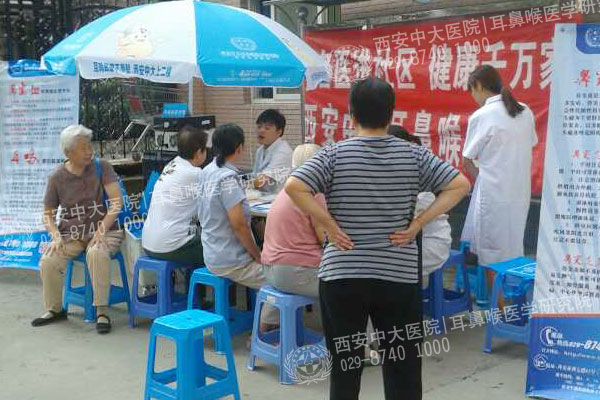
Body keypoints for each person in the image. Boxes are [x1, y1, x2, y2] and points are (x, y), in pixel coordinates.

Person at [285, 77, 470, 400]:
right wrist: (418, 223)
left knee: (345, 368)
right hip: (396, 275)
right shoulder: (413, 155)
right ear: (391, 113)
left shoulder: (334, 154)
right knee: (402, 367)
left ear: (352, 114)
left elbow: (294, 186)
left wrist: (328, 223)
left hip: (342, 274)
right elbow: (460, 184)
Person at [32, 125, 124, 334]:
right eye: (83, 148)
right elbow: (47, 214)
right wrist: (55, 236)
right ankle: (55, 309)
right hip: (71, 233)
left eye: (89, 146)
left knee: (97, 253)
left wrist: (101, 230)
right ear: (68, 153)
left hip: (105, 229)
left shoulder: (102, 167)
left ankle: (101, 311)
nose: (89, 151)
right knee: (48, 259)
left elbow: (116, 203)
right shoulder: (57, 177)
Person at [199, 123, 276, 327]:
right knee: (279, 280)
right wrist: (257, 255)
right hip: (229, 259)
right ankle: (262, 332)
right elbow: (239, 226)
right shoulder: (228, 179)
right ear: (239, 148)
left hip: (212, 252)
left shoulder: (208, 170)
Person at [460, 65, 538, 267]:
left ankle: (496, 289)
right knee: (513, 246)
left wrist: (481, 177)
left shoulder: (482, 115)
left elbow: (467, 160)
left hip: (493, 194)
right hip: (519, 193)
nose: (473, 97)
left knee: (491, 252)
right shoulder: (525, 111)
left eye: (471, 91)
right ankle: (511, 286)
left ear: (478, 86)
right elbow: (530, 143)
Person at [388, 125, 452, 288]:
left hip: (430, 245)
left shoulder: (416, 170)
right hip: (411, 241)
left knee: (381, 262)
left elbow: (400, 220)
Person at [262, 144, 326, 299]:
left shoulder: (286, 190)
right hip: (295, 272)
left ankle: (270, 316)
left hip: (270, 269)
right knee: (351, 285)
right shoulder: (313, 193)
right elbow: (325, 239)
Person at [142, 125, 207, 265]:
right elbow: (215, 203)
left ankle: (190, 280)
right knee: (221, 246)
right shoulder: (195, 173)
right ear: (198, 153)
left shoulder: (171, 165)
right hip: (170, 247)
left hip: (148, 243)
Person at [252, 109, 293, 193]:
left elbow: (261, 181)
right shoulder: (260, 150)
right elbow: (254, 176)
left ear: (279, 131)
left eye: (267, 128)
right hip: (263, 196)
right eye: (259, 127)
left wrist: (237, 183)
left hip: (278, 197)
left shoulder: (283, 152)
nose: (261, 130)